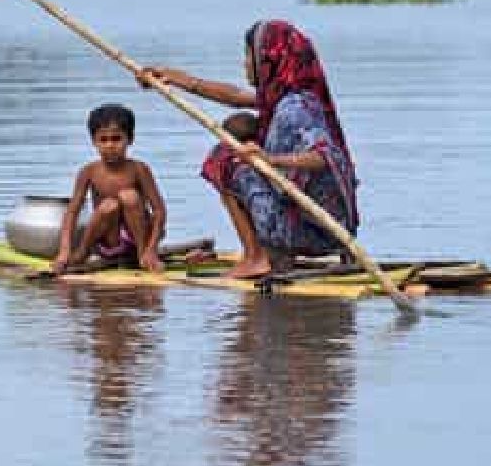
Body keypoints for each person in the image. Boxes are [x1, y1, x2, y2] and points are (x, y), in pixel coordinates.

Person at [143, 20, 360, 279]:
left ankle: (256, 257)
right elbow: (235, 97)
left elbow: (325, 156)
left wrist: (270, 159)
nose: (245, 64)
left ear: (269, 59)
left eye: (249, 56)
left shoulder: (293, 108)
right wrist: (178, 80)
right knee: (242, 132)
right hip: (331, 232)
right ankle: (272, 254)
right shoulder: (289, 97)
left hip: (311, 233)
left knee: (222, 159)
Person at [52, 103, 167, 275]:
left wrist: (152, 248)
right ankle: (83, 252)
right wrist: (65, 250)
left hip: (138, 239)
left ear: (130, 139)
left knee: (129, 196)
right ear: (94, 141)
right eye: (103, 140)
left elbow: (159, 211)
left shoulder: (139, 169)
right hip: (109, 242)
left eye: (116, 138)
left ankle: (143, 255)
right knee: (109, 205)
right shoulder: (88, 171)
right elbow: (72, 212)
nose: (110, 145)